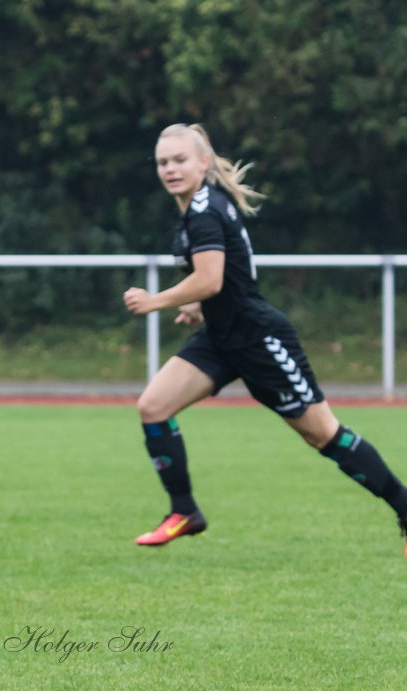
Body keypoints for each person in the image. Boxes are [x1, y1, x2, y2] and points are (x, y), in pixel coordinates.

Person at [123, 123, 407, 549]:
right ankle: (184, 511)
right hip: (221, 337)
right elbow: (223, 275)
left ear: (203, 162)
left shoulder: (202, 211)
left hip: (258, 338)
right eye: (163, 162)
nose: (169, 169)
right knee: (153, 406)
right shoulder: (195, 208)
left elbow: (212, 279)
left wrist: (157, 300)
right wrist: (198, 305)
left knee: (323, 434)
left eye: (179, 160)